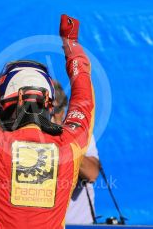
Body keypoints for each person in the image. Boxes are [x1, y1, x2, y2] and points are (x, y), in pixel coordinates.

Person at [0, 10, 94, 228]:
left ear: (3, 102)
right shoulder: (70, 143)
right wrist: (72, 45)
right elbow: (84, 97)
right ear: (48, 103)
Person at [52, 81, 100, 224]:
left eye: (52, 110)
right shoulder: (25, 137)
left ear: (62, 110)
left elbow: (92, 174)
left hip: (77, 224)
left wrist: (61, 141)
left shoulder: (79, 136)